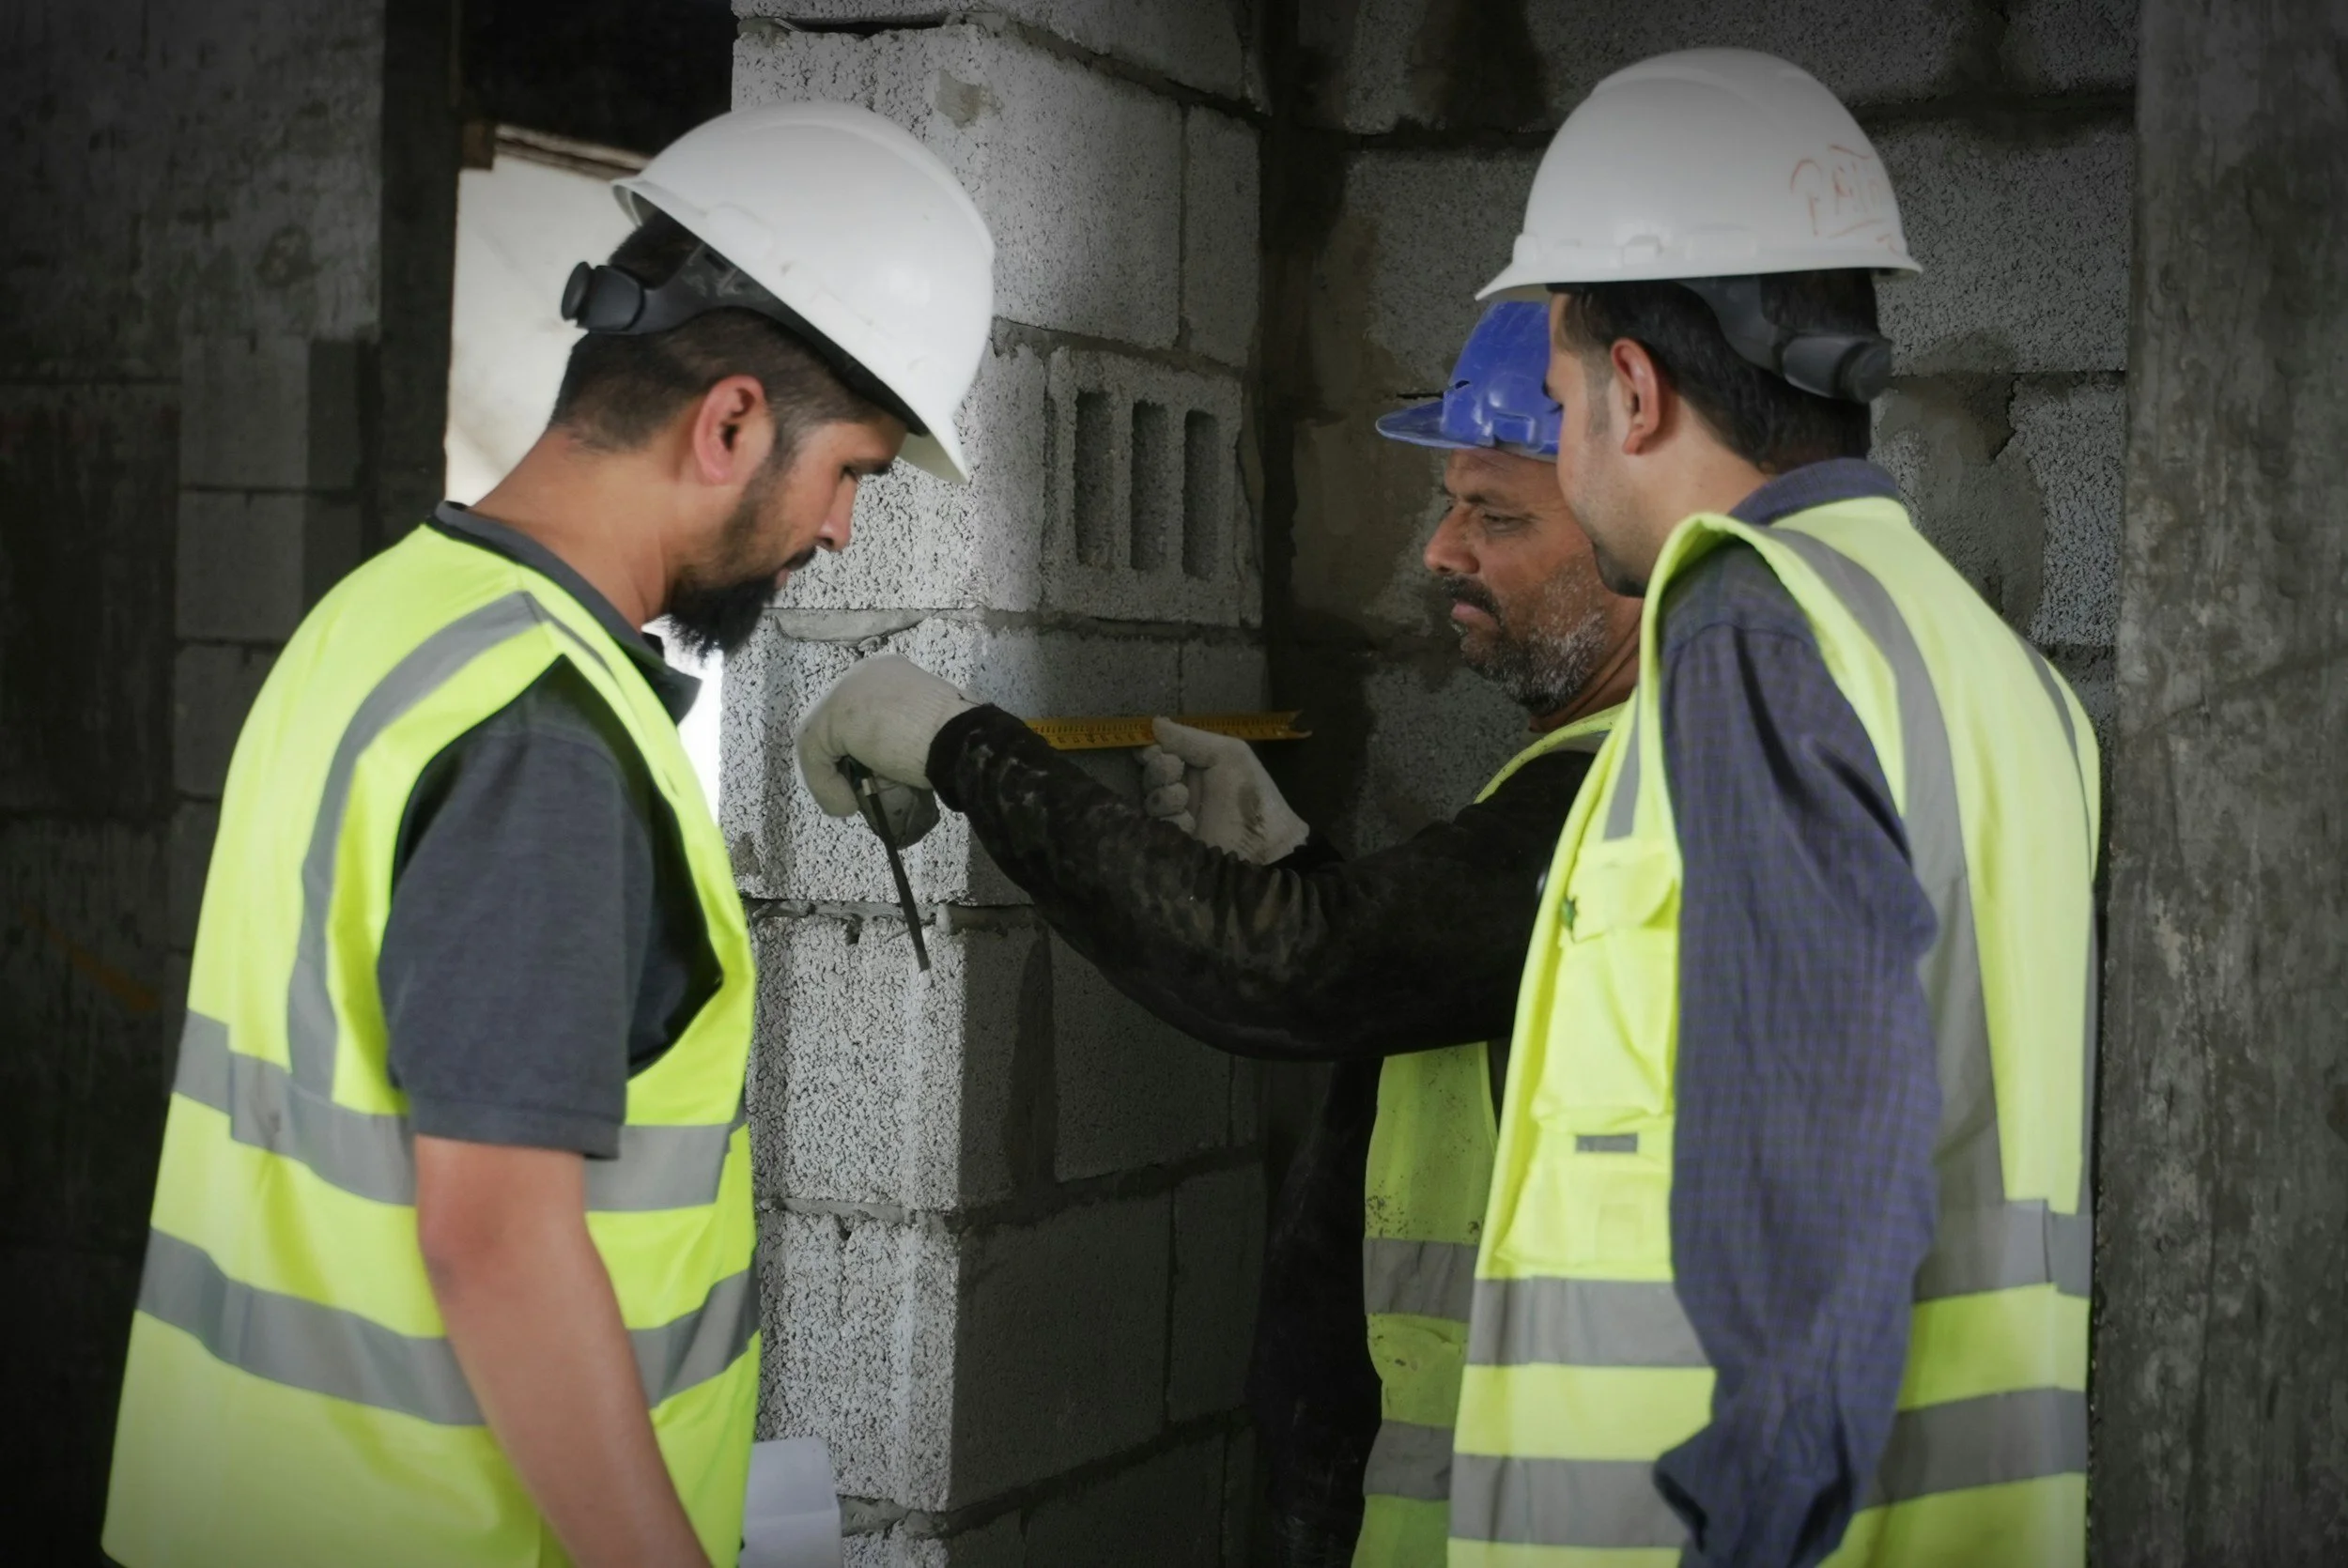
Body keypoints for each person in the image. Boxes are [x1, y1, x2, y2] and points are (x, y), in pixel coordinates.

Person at [100, 103, 993, 1568]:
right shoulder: (542, 732)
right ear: (730, 425)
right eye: (853, 473)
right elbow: (497, 1235)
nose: (839, 531)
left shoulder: (387, 613)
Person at [790, 301, 1641, 1567]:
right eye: (1450, 503)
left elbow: (1296, 970)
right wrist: (1301, 869)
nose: (1442, 551)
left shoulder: (1628, 789)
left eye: (1499, 516)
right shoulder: (1582, 770)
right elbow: (1443, 999)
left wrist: (966, 746)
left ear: (1640, 539)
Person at [1447, 49, 2099, 1567]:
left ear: (1632, 387)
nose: (1562, 445)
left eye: (1554, 404)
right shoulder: (1997, 674)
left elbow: (1826, 1179)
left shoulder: (1751, 628)